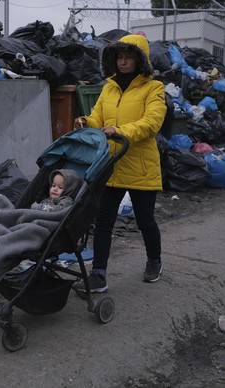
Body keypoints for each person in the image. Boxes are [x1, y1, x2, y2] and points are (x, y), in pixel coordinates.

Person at [73, 34, 167, 292]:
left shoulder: (154, 88)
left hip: (140, 166)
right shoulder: (109, 87)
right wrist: (84, 122)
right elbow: (97, 118)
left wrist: (120, 130)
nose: (123, 62)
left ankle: (155, 261)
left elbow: (151, 123)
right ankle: (99, 275)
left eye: (128, 57)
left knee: (145, 220)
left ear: (140, 60)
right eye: (119, 57)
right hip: (111, 165)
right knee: (103, 222)